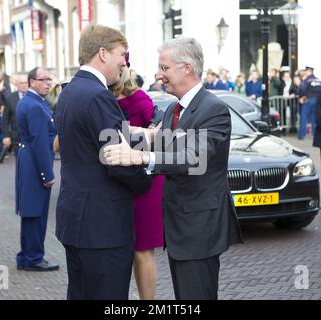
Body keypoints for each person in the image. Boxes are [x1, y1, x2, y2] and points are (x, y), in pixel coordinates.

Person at [104, 37, 243, 300]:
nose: (158, 75)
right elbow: (165, 145)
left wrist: (139, 158)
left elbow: (193, 157)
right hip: (180, 227)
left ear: (187, 68)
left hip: (199, 229)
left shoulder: (214, 109)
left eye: (164, 68)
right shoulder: (173, 110)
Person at [55, 24, 151, 300]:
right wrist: (147, 179)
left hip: (76, 220)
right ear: (103, 53)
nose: (124, 62)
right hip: (102, 226)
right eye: (122, 54)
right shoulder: (98, 95)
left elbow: (94, 143)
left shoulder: (70, 91)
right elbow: (115, 158)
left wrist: (150, 138)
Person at [109, 67, 164, 299]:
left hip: (144, 182)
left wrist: (136, 132)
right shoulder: (102, 97)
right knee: (122, 250)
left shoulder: (140, 98)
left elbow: (159, 135)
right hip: (118, 182)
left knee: (142, 249)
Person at [15, 67, 59, 272]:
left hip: (29, 159)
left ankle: (27, 256)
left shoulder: (33, 102)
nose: (48, 83)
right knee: (35, 211)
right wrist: (47, 174)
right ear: (32, 82)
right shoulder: (33, 105)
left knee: (31, 210)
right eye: (43, 79)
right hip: (35, 160)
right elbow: (40, 141)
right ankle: (33, 257)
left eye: (49, 79)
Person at [2, 73, 28, 156]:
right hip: (17, 138)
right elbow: (5, 119)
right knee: (21, 164)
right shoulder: (10, 98)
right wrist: (6, 136)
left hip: (33, 138)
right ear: (16, 84)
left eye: (26, 83)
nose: (24, 85)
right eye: (21, 83)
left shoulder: (35, 97)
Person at [298, 66, 321, 140]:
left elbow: (302, 89)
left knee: (304, 117)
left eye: (306, 71)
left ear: (308, 71)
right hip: (317, 101)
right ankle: (314, 135)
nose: (305, 72)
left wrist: (302, 97)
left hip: (308, 100)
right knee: (314, 118)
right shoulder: (318, 80)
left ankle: (302, 135)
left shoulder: (307, 80)